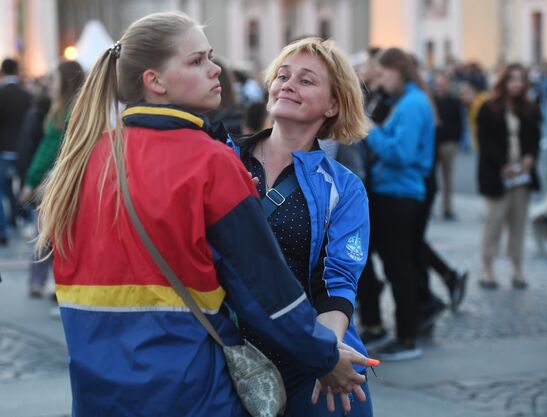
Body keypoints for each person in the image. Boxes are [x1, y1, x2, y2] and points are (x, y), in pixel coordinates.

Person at [35, 11, 370, 417]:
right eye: (197, 61)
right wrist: (324, 355)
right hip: (189, 380)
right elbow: (263, 287)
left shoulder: (89, 156)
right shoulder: (212, 160)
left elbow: (338, 278)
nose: (215, 69)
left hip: (99, 385)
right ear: (155, 81)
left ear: (334, 104)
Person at [232, 37, 373, 416]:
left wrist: (326, 356)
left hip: (305, 356)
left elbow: (336, 281)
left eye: (306, 80)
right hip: (225, 352)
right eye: (282, 75)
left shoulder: (344, 187)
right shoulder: (224, 160)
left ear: (333, 104)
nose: (288, 84)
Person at [358, 48, 436, 361]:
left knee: (398, 266)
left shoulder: (413, 104)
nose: (380, 81)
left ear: (397, 71)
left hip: (400, 193)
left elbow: (401, 154)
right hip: (392, 191)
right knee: (394, 262)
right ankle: (400, 330)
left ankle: (407, 337)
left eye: (383, 74)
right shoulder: (408, 101)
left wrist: (371, 132)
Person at [19, 61, 85, 298]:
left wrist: (30, 181)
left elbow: (47, 151)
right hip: (63, 182)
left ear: (64, 82)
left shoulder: (63, 112)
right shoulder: (74, 109)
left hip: (53, 183)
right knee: (59, 237)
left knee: (44, 234)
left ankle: (46, 284)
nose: (50, 86)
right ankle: (58, 285)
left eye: (54, 80)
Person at [477, 63, 541, 289]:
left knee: (518, 223)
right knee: (493, 222)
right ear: (504, 82)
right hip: (497, 174)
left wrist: (529, 158)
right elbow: (485, 142)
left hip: (522, 176)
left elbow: (534, 137)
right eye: (513, 79)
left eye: (521, 79)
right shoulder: (489, 107)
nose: (517, 84)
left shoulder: (531, 108)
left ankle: (517, 269)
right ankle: (487, 269)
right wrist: (502, 165)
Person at [0, 58, 33, 244]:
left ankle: (3, 230)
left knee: (2, 190)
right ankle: (19, 219)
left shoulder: (2, 93)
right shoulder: (26, 95)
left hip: (3, 150)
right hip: (21, 150)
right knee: (18, 188)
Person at [433, 72, 464, 220]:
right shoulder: (431, 100)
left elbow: (459, 122)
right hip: (433, 144)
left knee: (447, 179)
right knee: (431, 178)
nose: (440, 86)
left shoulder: (454, 101)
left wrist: (456, 140)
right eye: (438, 83)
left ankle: (447, 208)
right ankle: (430, 208)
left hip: (448, 144)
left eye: (442, 83)